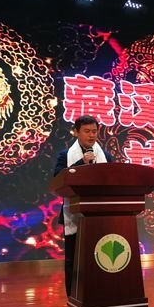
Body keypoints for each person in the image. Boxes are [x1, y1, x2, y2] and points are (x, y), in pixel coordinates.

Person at [53, 115, 114, 296]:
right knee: (74, 258)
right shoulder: (65, 155)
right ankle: (73, 296)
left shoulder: (105, 156)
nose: (91, 135)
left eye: (94, 131)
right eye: (87, 131)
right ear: (76, 132)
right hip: (74, 213)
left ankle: (100, 293)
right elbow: (57, 180)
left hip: (100, 213)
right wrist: (82, 163)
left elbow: (114, 179)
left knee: (99, 255)